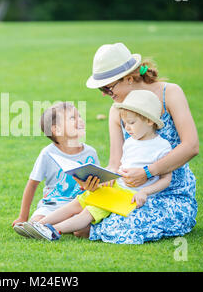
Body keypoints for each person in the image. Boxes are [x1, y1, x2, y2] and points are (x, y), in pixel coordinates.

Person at [79, 43, 199, 244]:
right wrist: (96, 180)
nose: (104, 94)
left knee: (122, 225)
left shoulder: (169, 93)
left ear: (128, 78)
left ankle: (96, 227)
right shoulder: (117, 110)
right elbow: (115, 164)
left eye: (107, 87)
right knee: (81, 213)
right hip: (129, 194)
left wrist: (148, 172)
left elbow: (191, 146)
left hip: (171, 195)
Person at [21, 90, 173, 241]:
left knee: (88, 212)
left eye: (131, 123)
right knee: (77, 202)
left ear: (149, 121)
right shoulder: (131, 142)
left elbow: (166, 179)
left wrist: (145, 192)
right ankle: (38, 225)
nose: (127, 128)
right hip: (115, 188)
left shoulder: (162, 147)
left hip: (129, 196)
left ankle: (53, 230)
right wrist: (110, 177)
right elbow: (121, 166)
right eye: (125, 123)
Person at [11, 102, 100, 238]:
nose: (80, 120)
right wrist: (22, 217)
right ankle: (49, 225)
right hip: (52, 205)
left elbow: (97, 182)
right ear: (57, 130)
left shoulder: (90, 152)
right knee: (35, 222)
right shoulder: (48, 153)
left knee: (82, 231)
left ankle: (60, 227)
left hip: (78, 204)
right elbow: (32, 184)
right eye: (73, 118)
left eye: (80, 116)